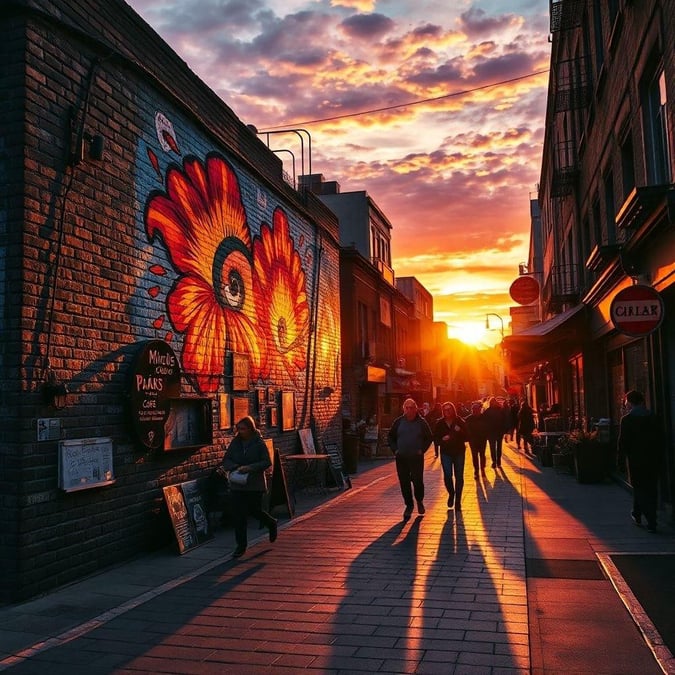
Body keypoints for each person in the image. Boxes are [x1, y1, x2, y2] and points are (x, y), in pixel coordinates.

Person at [219, 416, 278, 557]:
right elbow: (226, 459)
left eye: (243, 429)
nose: (240, 431)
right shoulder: (236, 442)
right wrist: (235, 467)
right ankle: (241, 546)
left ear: (251, 429)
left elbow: (266, 462)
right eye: (238, 429)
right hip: (237, 484)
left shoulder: (258, 443)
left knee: (254, 511)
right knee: (238, 515)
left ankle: (271, 523)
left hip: (254, 484)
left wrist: (250, 468)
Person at [618, 390, 663, 533]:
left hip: (635, 459)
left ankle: (651, 520)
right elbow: (660, 438)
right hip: (653, 459)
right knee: (650, 488)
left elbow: (622, 443)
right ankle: (637, 513)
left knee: (639, 487)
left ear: (630, 402)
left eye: (626, 401)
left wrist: (620, 461)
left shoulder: (627, 420)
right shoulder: (653, 417)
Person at [388, 398, 433, 520]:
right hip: (401, 457)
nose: (409, 410)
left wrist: (422, 450)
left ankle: (419, 500)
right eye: (407, 408)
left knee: (417, 480)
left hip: (416, 457)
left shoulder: (421, 422)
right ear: (404, 409)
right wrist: (395, 450)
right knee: (404, 482)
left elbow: (429, 437)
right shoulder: (398, 422)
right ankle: (409, 505)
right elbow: (390, 437)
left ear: (415, 408)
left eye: (411, 408)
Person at [434, 402, 468, 509]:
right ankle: (451, 493)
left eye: (449, 410)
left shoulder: (459, 421)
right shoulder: (440, 423)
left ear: (453, 410)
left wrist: (460, 431)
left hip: (459, 452)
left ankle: (458, 500)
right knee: (448, 476)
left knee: (459, 477)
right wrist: (441, 440)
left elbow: (468, 436)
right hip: (446, 453)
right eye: (445, 410)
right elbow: (435, 438)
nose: (447, 412)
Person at [464, 401, 487, 479]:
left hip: (482, 439)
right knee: (475, 456)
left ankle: (482, 469)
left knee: (482, 455)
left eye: (476, 409)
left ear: (479, 409)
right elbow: (464, 428)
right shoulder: (468, 419)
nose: (475, 411)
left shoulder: (484, 417)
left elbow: (488, 427)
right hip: (473, 440)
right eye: (474, 409)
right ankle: (476, 471)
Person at [483, 397, 506, 469]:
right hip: (497, 432)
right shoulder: (500, 410)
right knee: (498, 447)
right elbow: (504, 420)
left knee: (493, 448)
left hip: (492, 432)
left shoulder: (487, 411)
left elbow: (484, 422)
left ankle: (495, 462)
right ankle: (497, 462)